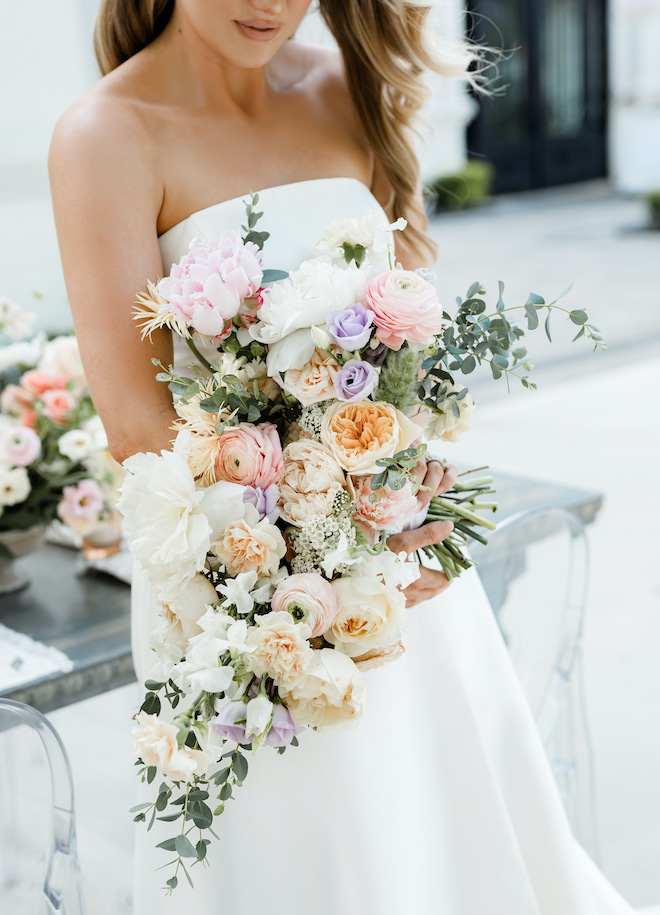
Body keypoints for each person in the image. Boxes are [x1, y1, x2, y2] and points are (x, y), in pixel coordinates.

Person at [49, 2, 635, 912]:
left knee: (453, 841)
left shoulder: (344, 87)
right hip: (247, 595)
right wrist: (333, 541)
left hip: (413, 577)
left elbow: (399, 345)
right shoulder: (106, 137)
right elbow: (137, 423)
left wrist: (408, 487)